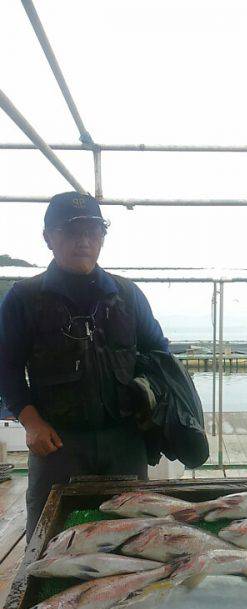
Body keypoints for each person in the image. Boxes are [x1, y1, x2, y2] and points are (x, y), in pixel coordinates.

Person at [0, 191, 169, 540]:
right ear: (48, 237)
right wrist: (31, 423)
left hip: (125, 440)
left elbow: (160, 356)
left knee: (134, 540)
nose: (84, 240)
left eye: (93, 231)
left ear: (103, 237)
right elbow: (7, 367)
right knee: (46, 543)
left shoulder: (128, 295)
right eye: (71, 231)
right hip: (58, 443)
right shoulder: (23, 298)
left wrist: (156, 413)